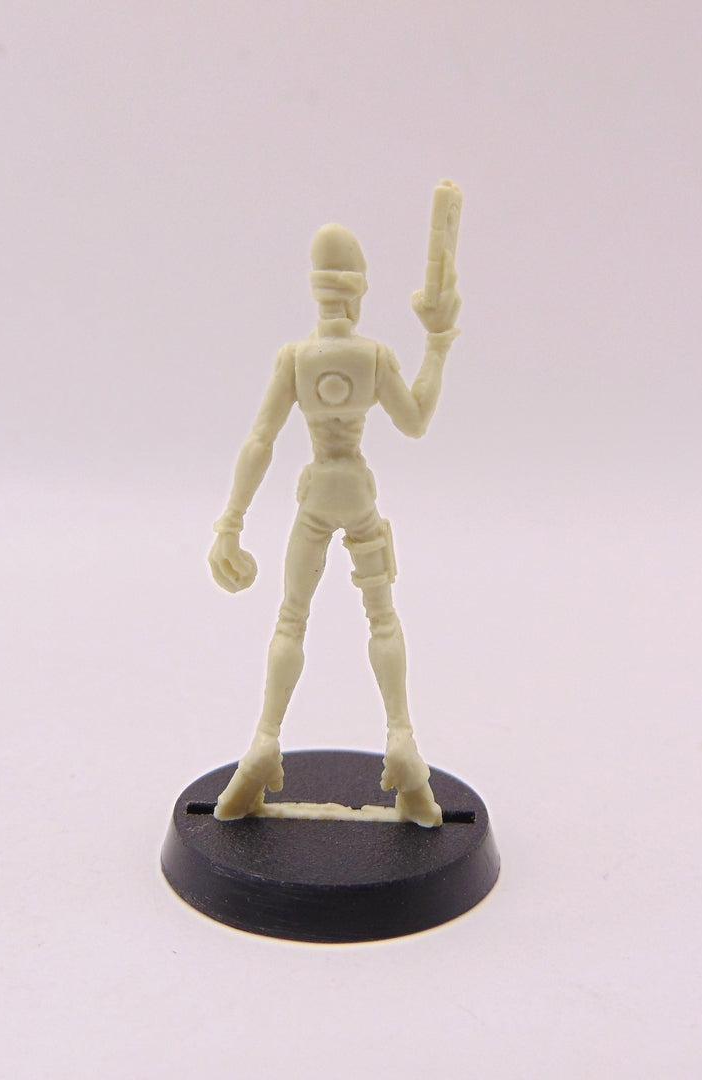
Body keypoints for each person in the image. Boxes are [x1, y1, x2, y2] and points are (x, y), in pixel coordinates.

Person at [207, 184, 463, 826]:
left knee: (291, 619)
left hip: (318, 490)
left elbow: (260, 441)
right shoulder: (372, 357)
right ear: (358, 291)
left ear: (316, 290)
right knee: (383, 619)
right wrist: (437, 344)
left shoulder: (296, 360)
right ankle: (401, 737)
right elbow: (416, 420)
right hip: (358, 491)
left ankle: (265, 740)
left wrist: (231, 523)